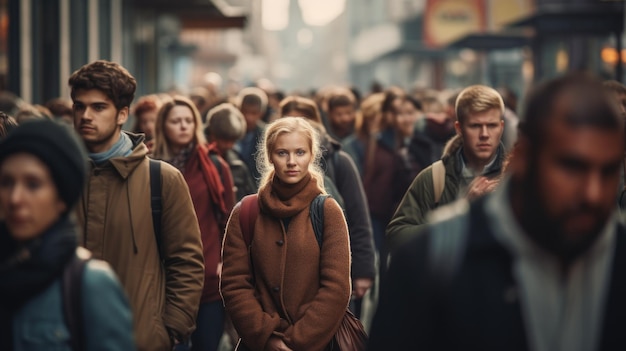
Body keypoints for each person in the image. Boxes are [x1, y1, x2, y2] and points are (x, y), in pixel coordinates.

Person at [369, 73, 626, 351]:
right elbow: (397, 232)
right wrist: (464, 208)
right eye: (572, 167)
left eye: (609, 171)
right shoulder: (433, 256)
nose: (593, 193)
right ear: (527, 157)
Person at [69, 60, 205, 351]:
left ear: (122, 114)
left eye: (98, 107)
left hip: (139, 341)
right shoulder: (57, 177)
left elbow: (187, 262)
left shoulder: (162, 179)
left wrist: (168, 331)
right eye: (79, 106)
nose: (85, 116)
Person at [0, 119, 134, 350]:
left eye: (33, 185)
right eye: (6, 182)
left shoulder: (89, 282)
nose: (15, 199)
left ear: (61, 197)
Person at [220, 117, 351, 351]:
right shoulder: (247, 211)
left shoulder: (327, 210)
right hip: (260, 344)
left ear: (311, 155)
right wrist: (267, 337)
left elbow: (337, 288)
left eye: (300, 152)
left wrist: (296, 341)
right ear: (270, 156)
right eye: (282, 153)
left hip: (316, 344)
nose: (292, 162)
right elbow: (234, 284)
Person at [279, 96, 376, 318]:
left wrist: (362, 271)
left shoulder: (339, 161)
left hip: (333, 271)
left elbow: (359, 219)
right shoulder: (275, 165)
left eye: (304, 119)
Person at [152, 95, 235, 351]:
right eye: (176, 121)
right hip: (160, 281)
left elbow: (229, 221)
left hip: (207, 280)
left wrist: (224, 262)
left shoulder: (214, 165)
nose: (183, 126)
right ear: (163, 126)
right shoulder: (148, 166)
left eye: (189, 120)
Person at [386, 84, 506, 253]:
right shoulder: (435, 177)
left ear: (501, 127)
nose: (484, 134)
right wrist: (461, 211)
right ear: (459, 129)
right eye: (475, 126)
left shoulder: (516, 177)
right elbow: (396, 235)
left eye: (492, 125)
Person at [204, 102, 257, 201]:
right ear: (212, 134)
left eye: (232, 141)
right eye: (224, 140)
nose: (228, 145)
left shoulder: (237, 164)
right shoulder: (199, 161)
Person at [234, 87, 268, 185]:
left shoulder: (266, 134)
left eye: (254, 113)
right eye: (245, 112)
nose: (248, 117)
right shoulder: (230, 130)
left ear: (261, 113)